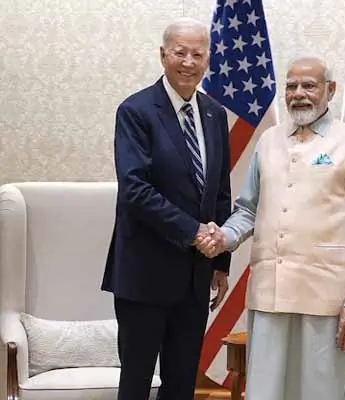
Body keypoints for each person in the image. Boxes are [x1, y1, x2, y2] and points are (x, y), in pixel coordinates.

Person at [197, 55, 345, 399]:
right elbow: (248, 210)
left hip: (327, 297)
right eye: (292, 86)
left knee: (320, 392)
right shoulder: (268, 141)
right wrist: (224, 237)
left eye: (309, 86)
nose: (299, 94)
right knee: (266, 391)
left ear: (330, 90)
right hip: (270, 293)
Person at [101, 17, 232, 400]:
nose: (188, 62)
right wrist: (194, 233)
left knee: (181, 384)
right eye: (180, 53)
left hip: (195, 278)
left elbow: (219, 191)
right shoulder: (136, 111)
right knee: (137, 382)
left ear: (208, 59)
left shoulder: (214, 114)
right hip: (144, 275)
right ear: (163, 55)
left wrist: (221, 260)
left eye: (198, 54)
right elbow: (135, 190)